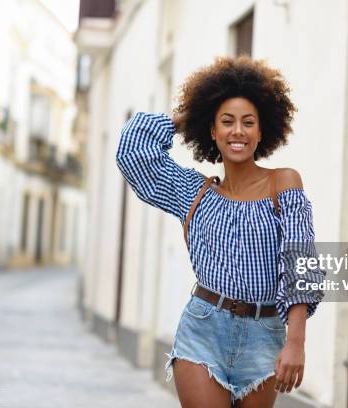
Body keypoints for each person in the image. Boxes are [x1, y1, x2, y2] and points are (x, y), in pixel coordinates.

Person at [116, 56, 324, 408]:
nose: (237, 131)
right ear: (212, 131)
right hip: (203, 331)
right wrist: (195, 113)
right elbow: (133, 151)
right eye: (226, 122)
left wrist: (296, 342)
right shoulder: (192, 193)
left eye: (248, 122)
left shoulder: (284, 183)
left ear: (262, 131)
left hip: (265, 334)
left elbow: (300, 265)